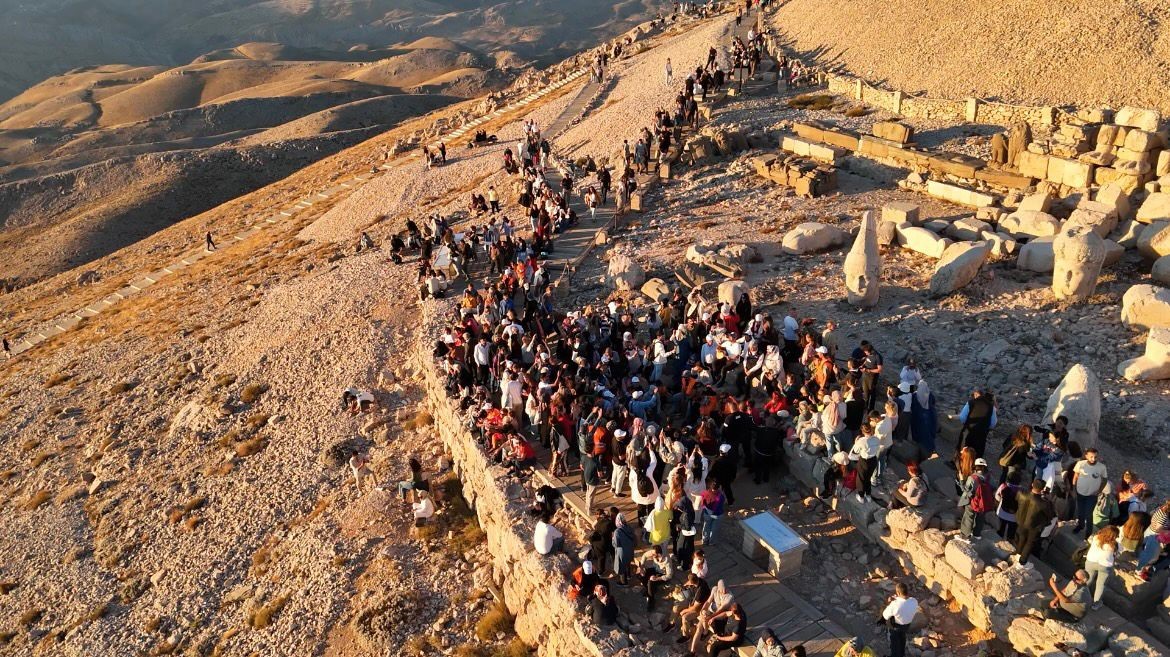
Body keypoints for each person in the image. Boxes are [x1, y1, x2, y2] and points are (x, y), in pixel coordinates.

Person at [1014, 479, 1055, 566]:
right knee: (1029, 543)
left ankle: (1017, 555)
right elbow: (1050, 515)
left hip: (1020, 521)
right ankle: (1022, 561)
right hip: (1034, 526)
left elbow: (1017, 501)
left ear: (1032, 484)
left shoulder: (1021, 494)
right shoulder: (1044, 503)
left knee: (1021, 538)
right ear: (1043, 489)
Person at [1072, 448, 1108, 538]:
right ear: (1086, 456)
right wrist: (1073, 488)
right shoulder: (1080, 464)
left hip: (1092, 495)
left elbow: (1105, 479)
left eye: (1095, 457)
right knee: (1080, 511)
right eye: (1091, 457)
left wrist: (1099, 491)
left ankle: (1088, 532)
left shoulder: (1101, 467)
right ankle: (1080, 526)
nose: (1093, 459)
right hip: (1080, 492)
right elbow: (1075, 476)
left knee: (1088, 514)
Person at [1084, 526, 1117, 610]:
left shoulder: (1096, 538)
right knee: (1101, 585)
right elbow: (1118, 553)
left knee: (1087, 580)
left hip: (1091, 561)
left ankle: (1080, 596)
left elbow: (1089, 540)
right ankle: (1095, 604)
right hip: (1105, 566)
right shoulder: (1114, 545)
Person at [958, 458, 992, 539]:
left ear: (976, 467)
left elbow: (966, 490)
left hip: (972, 501)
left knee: (968, 517)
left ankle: (965, 536)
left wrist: (961, 480)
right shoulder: (988, 476)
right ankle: (977, 534)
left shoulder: (972, 477)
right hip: (983, 502)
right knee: (980, 517)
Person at [881, 582, 918, 657]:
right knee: (902, 638)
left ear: (898, 592)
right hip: (906, 626)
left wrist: (889, 603)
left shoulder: (895, 605)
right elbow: (905, 601)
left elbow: (885, 615)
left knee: (894, 644)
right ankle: (902, 654)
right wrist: (897, 598)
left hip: (896, 627)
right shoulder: (914, 601)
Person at [957, 389, 996, 458]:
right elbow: (993, 424)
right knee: (977, 452)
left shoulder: (971, 402)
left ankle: (958, 463)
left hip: (969, 431)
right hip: (982, 434)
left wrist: (966, 424)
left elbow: (962, 417)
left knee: (964, 448)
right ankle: (975, 466)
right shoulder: (991, 407)